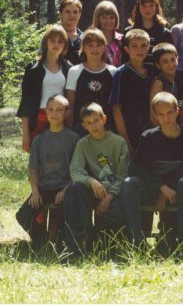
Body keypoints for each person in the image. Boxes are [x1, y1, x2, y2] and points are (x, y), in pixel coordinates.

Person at [121, 92, 183, 246]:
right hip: (152, 188)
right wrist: (161, 188)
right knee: (129, 183)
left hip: (178, 191)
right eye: (161, 114)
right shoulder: (148, 137)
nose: (166, 118)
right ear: (155, 116)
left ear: (177, 111)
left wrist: (166, 191)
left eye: (170, 113)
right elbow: (136, 168)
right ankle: (136, 241)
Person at [63, 103, 129, 257]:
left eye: (96, 121)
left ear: (104, 119)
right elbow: (75, 170)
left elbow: (123, 175)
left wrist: (109, 197)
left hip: (114, 192)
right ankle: (75, 247)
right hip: (94, 190)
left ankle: (109, 248)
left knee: (115, 214)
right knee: (74, 190)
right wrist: (91, 181)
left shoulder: (119, 142)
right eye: (88, 122)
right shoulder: (83, 144)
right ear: (84, 125)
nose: (93, 126)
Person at [15, 94, 80, 247]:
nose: (54, 113)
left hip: (64, 189)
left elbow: (77, 169)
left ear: (67, 112)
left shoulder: (74, 139)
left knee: (66, 216)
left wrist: (65, 190)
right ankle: (42, 241)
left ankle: (59, 241)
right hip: (44, 188)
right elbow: (33, 169)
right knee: (23, 216)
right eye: (50, 109)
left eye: (59, 110)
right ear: (45, 112)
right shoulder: (39, 140)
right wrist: (35, 191)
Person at [18, 25, 72, 152]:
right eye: (52, 40)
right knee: (39, 155)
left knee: (60, 154)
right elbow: (26, 102)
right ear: (45, 42)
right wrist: (25, 134)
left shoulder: (69, 67)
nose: (56, 44)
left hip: (61, 117)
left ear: (65, 45)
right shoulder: (33, 68)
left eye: (60, 41)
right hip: (39, 117)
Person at [65, 28, 117, 135]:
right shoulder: (74, 71)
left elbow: (115, 107)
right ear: (84, 47)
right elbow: (70, 105)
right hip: (81, 129)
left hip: (106, 129)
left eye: (99, 45)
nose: (95, 49)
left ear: (104, 47)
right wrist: (69, 133)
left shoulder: (113, 71)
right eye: (90, 45)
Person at [110, 29, 153, 152]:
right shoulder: (121, 73)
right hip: (129, 131)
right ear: (126, 49)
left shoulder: (151, 73)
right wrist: (126, 141)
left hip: (149, 130)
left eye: (143, 45)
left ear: (148, 48)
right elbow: (116, 109)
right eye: (134, 46)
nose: (139, 50)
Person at [123, 0, 172, 70]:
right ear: (138, 7)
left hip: (157, 75)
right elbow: (124, 58)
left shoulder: (165, 33)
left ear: (156, 7)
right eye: (144, 6)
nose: (147, 9)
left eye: (151, 5)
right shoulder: (129, 32)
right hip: (133, 74)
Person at [149, 42, 182, 125]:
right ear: (158, 65)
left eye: (172, 60)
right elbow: (153, 116)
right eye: (165, 61)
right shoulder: (158, 83)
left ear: (177, 59)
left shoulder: (176, 81)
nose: (170, 64)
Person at [92, 0, 123, 67]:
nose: (108, 21)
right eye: (104, 17)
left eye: (111, 17)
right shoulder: (92, 38)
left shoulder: (121, 39)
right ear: (98, 19)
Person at [58, 0, 84, 65]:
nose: (71, 15)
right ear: (61, 14)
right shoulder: (51, 36)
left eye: (75, 12)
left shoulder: (85, 38)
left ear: (80, 14)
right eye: (67, 12)